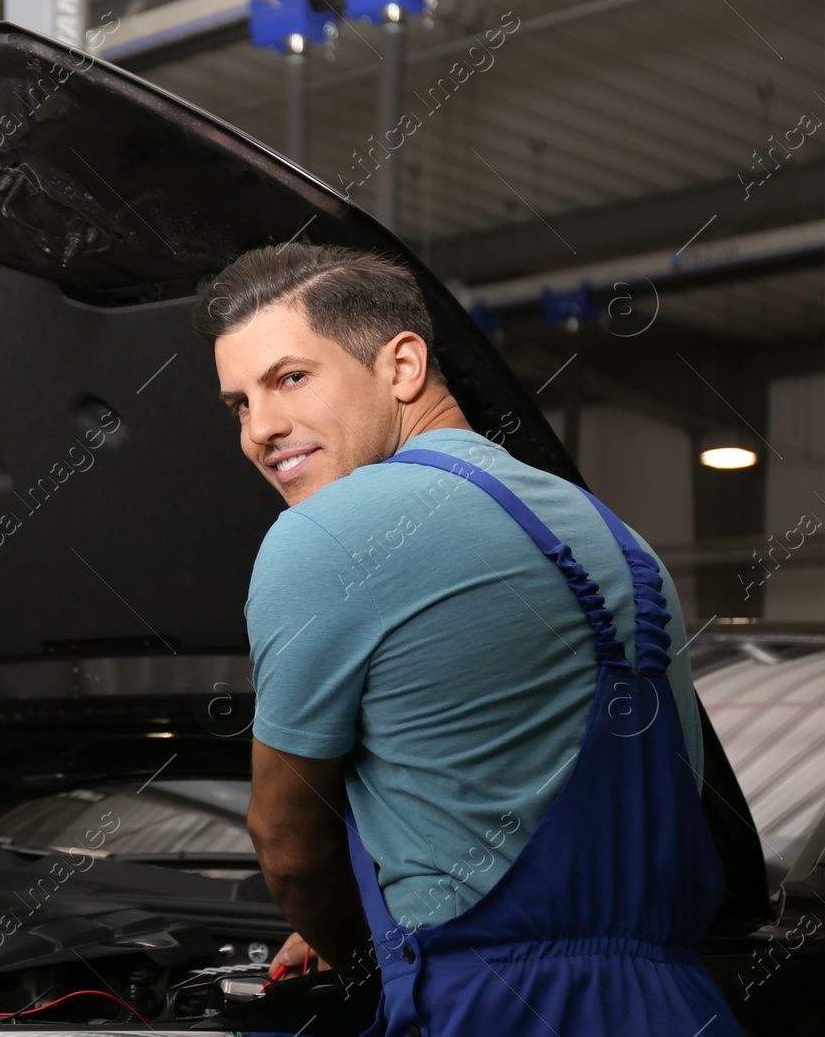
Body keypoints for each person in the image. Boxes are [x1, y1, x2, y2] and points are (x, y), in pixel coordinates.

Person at [199, 242, 740, 1034]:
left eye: (289, 378)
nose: (262, 429)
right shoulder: (616, 537)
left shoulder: (324, 535)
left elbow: (287, 844)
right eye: (239, 403)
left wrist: (371, 953)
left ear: (404, 366)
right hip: (676, 1002)